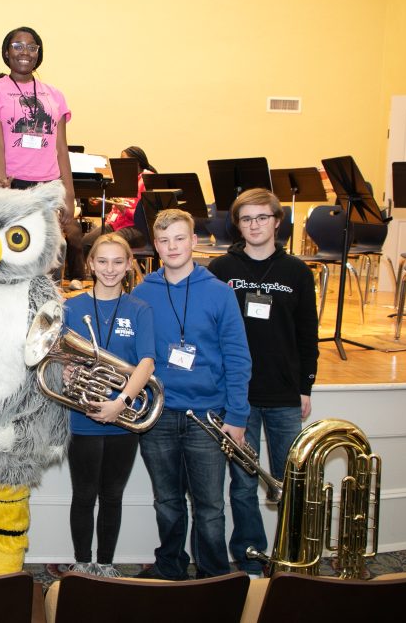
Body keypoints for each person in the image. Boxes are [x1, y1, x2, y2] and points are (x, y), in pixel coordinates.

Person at [131, 208, 251, 579]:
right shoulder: (143, 291)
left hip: (207, 416)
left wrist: (237, 417)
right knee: (167, 502)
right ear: (156, 245)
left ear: (194, 242)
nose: (172, 247)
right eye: (164, 241)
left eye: (180, 238)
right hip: (159, 414)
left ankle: (214, 576)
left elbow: (237, 356)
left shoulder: (219, 293)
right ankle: (171, 566)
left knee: (210, 506)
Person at [207, 188, 318, 576]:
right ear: (237, 224)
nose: (255, 225)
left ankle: (291, 557)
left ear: (277, 221)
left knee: (292, 483)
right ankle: (252, 560)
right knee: (242, 484)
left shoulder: (298, 272)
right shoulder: (221, 270)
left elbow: (307, 333)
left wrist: (306, 385)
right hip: (239, 397)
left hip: (285, 394)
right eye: (246, 218)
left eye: (262, 217)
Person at [63, 233, 155, 577]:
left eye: (118, 261)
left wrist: (122, 402)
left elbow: (146, 362)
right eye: (102, 261)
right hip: (82, 415)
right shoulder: (72, 307)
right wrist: (67, 372)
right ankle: (82, 561)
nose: (110, 269)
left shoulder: (140, 309)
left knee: (112, 494)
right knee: (84, 494)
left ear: (129, 264)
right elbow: (60, 357)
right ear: (90, 264)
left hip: (123, 418)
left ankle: (105, 563)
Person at [0, 26, 83, 283]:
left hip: (47, 188)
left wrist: (68, 196)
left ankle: (45, 313)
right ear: (6, 52)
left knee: (48, 256)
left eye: (31, 47)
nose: (25, 52)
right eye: (17, 46)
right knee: (12, 255)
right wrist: (2, 187)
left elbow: (61, 148)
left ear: (39, 53)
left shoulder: (54, 94)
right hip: (11, 186)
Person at [82, 146, 157, 253]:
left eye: (125, 162)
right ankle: (90, 270)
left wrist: (124, 209)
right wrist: (99, 198)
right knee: (84, 244)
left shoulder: (147, 179)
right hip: (116, 224)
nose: (122, 166)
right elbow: (114, 203)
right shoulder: (123, 179)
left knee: (107, 245)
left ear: (137, 163)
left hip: (136, 228)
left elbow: (145, 216)